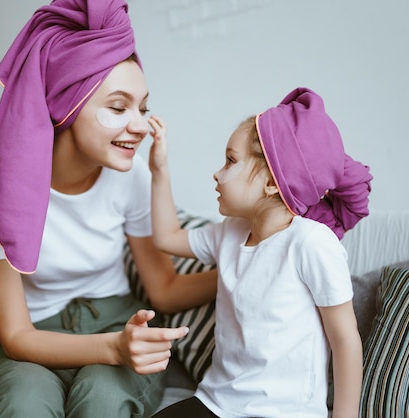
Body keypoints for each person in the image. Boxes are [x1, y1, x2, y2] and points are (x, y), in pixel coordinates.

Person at [0, 1, 216, 417]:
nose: (139, 126)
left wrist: (243, 263)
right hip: (34, 337)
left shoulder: (132, 176)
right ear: (67, 104)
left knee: (103, 401)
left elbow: (164, 288)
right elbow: (15, 335)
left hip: (119, 320)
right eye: (118, 108)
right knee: (23, 406)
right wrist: (110, 349)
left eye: (143, 108)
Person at [148, 87, 373, 418]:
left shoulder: (312, 243)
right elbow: (167, 237)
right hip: (217, 403)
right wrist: (159, 169)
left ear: (271, 182)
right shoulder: (229, 232)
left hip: (283, 412)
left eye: (230, 160)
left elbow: (345, 341)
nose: (217, 172)